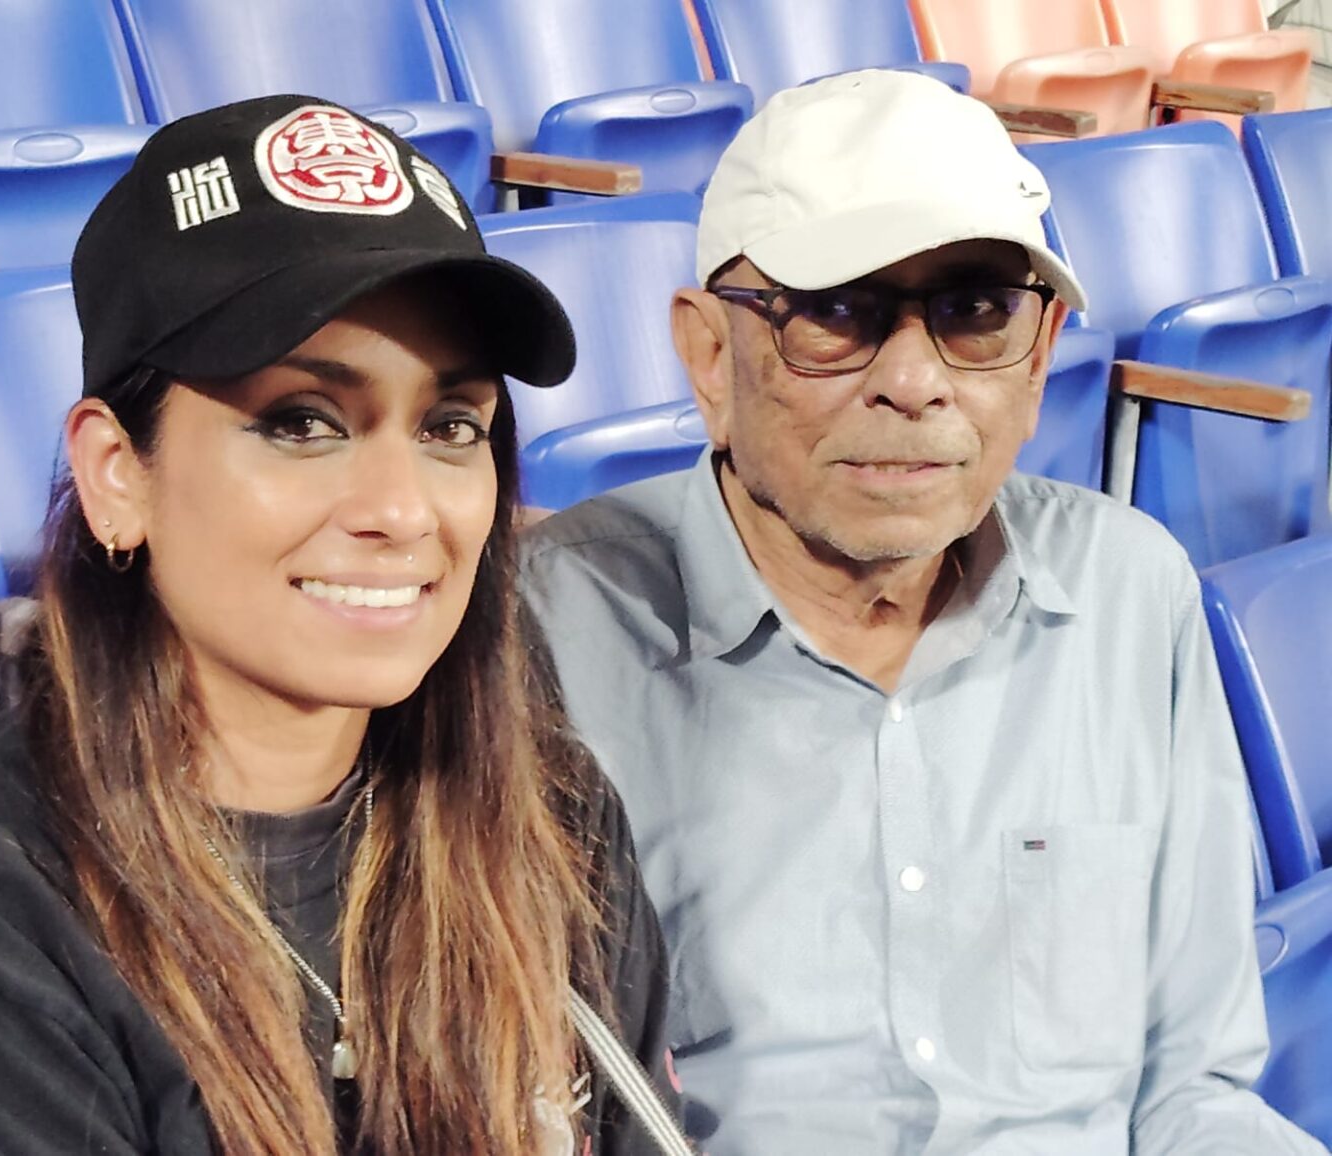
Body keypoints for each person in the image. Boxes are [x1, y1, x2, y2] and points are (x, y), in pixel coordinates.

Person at [0, 96, 687, 1156]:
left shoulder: (554, 818)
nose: (403, 509)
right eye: (302, 424)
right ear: (116, 475)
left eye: (452, 427)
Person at [520, 70, 1326, 1154]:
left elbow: (1195, 1091)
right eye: (836, 313)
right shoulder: (550, 634)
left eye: (976, 313)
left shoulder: (1134, 593)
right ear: (710, 354)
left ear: (1040, 362)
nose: (914, 381)